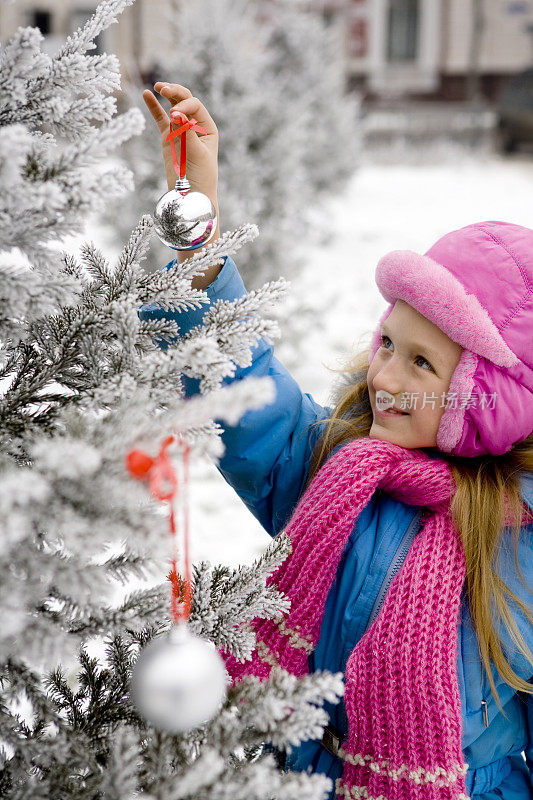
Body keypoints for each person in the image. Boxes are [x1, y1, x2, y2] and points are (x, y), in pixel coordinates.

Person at [140, 83, 533, 800]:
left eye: (421, 363)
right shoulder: (337, 470)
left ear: (487, 400)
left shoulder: (518, 543)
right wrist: (196, 231)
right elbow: (243, 393)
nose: (383, 373)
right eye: (388, 342)